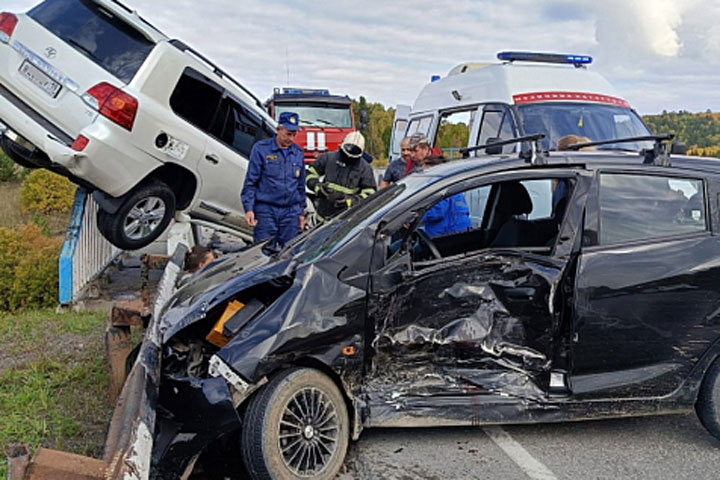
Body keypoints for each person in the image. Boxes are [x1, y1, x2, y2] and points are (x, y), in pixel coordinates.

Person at [241, 112, 306, 248]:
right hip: (266, 211)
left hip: (291, 212)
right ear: (279, 129)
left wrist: (301, 213)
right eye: (288, 134)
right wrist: (249, 209)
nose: (291, 138)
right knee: (263, 252)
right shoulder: (261, 149)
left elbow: (300, 187)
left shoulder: (298, 153)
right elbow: (251, 182)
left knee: (289, 253)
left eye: (294, 134)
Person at [306, 131, 377, 220]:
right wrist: (318, 188)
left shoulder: (364, 168)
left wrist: (349, 201)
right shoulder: (328, 158)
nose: (349, 157)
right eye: (346, 154)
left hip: (347, 219)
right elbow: (310, 173)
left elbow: (370, 193)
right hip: (322, 217)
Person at [420, 154, 471, 237]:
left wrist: (415, 218)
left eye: (425, 172)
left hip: (447, 233)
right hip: (460, 229)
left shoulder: (437, 184)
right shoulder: (450, 181)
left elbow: (437, 211)